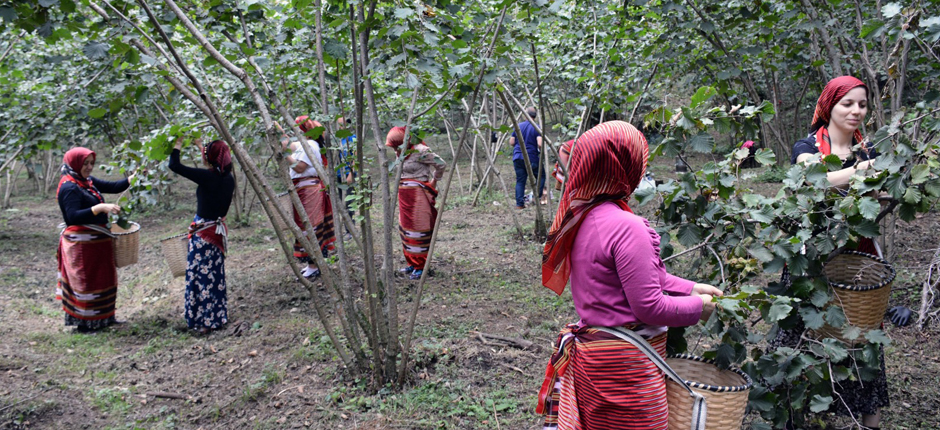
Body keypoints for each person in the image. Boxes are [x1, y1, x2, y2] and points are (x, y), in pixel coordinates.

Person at [537, 121, 722, 429]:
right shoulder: (626, 226)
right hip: (627, 373)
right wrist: (699, 306)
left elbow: (636, 278)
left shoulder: (585, 217)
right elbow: (649, 306)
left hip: (596, 363)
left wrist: (690, 287)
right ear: (625, 167)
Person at [779, 75, 911, 429]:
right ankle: (799, 416)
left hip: (859, 261)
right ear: (829, 106)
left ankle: (869, 423)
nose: (856, 111)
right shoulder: (807, 146)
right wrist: (868, 169)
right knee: (805, 340)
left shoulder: (869, 147)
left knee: (863, 339)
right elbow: (814, 179)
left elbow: (879, 199)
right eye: (847, 103)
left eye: (862, 104)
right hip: (814, 261)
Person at [56, 147, 132, 333]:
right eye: (85, 163)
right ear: (75, 164)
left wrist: (133, 178)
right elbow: (72, 216)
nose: (89, 167)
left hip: (98, 242)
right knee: (86, 282)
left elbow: (113, 186)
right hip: (82, 245)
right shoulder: (69, 187)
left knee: (103, 279)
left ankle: (105, 318)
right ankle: (86, 323)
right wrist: (99, 208)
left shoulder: (86, 181)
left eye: (91, 163)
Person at [168, 136, 235, 334]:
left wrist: (177, 145)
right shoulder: (227, 178)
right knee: (213, 275)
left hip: (203, 235)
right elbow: (212, 163)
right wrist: (201, 146)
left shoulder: (208, 178)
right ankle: (216, 316)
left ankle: (204, 321)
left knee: (200, 275)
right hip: (216, 232)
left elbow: (175, 165)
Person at [385, 126, 446, 280]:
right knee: (405, 229)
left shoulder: (421, 150)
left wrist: (434, 181)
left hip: (418, 195)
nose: (395, 149)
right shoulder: (399, 152)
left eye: (396, 146)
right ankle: (412, 262)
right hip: (403, 196)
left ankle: (421, 265)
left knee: (419, 228)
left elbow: (441, 164)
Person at [280, 116, 336, 279]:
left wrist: (285, 154)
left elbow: (299, 167)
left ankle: (314, 265)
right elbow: (290, 145)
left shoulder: (310, 145)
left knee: (311, 226)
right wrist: (281, 134)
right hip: (304, 189)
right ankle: (313, 264)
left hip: (309, 190)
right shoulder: (305, 145)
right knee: (308, 225)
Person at [510, 107, 544, 209]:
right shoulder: (536, 127)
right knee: (541, 176)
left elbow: (511, 142)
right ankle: (537, 199)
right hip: (531, 157)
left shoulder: (518, 126)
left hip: (518, 157)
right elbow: (540, 144)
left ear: (525, 115)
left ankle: (519, 204)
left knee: (520, 180)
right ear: (535, 116)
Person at [335, 117, 356, 240]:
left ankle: (350, 231)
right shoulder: (338, 140)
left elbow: (356, 157)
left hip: (348, 175)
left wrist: (351, 174)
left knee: (348, 203)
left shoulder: (351, 138)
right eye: (340, 125)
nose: (342, 127)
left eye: (343, 124)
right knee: (342, 203)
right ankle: (346, 229)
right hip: (339, 175)